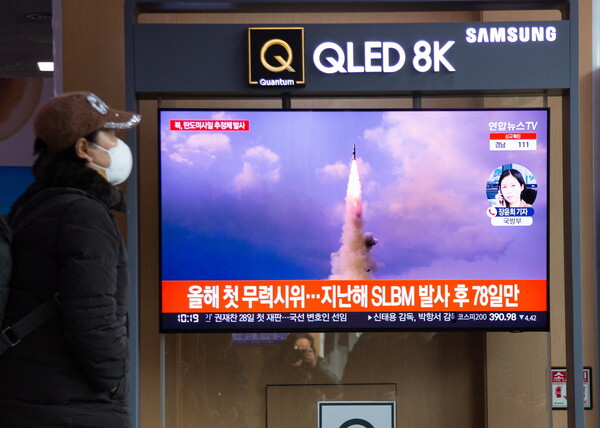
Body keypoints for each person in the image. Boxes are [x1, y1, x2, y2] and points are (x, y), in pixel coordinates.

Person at [0, 92, 141, 427]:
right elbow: (93, 315)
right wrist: (114, 384)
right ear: (82, 149)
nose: (119, 144)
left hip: (24, 394)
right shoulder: (84, 215)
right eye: (111, 134)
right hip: (72, 406)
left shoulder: (31, 206)